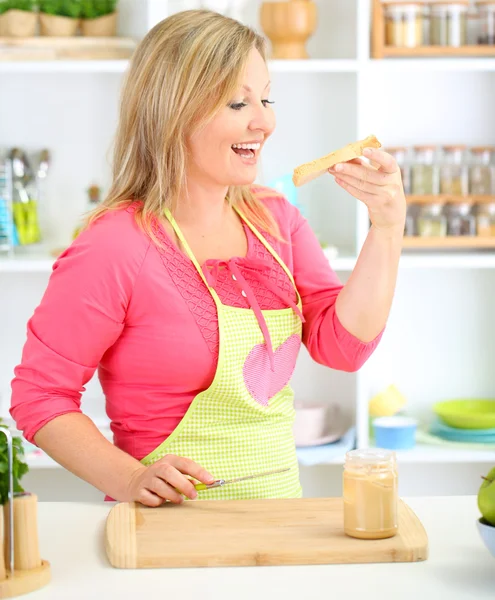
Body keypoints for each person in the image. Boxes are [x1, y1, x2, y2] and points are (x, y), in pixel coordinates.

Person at [10, 10, 406, 507]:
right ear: (173, 112)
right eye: (239, 102)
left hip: (278, 520)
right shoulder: (113, 245)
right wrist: (128, 479)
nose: (264, 121)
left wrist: (387, 229)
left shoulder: (275, 219)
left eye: (265, 97)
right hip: (167, 533)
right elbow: (39, 398)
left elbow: (343, 349)